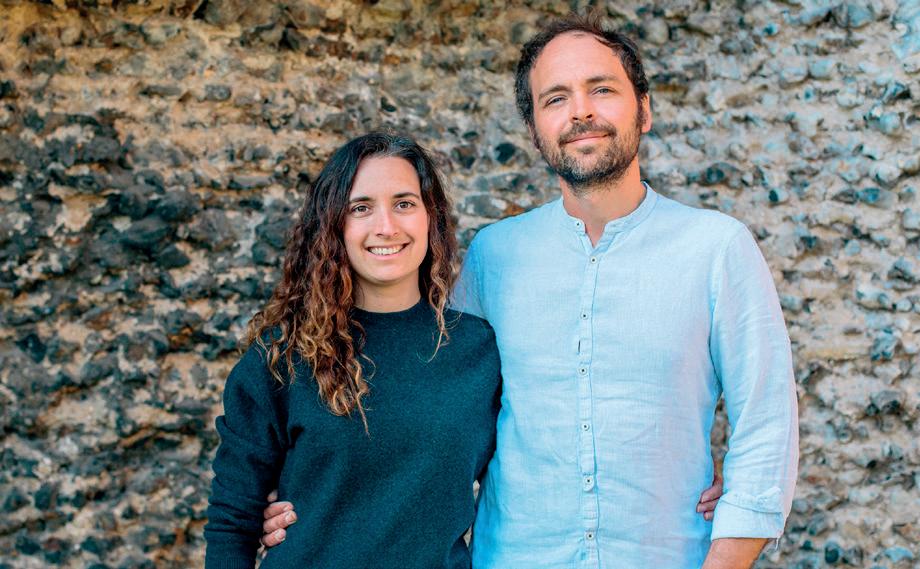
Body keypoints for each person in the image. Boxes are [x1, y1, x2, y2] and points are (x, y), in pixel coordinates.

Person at [261, 15, 786, 566]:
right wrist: (305, 495)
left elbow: (765, 428)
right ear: (535, 130)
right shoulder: (495, 255)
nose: (580, 111)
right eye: (556, 98)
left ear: (645, 109)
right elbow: (424, 404)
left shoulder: (717, 249)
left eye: (602, 89)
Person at [203, 133, 504, 569]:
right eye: (361, 208)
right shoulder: (284, 357)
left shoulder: (480, 352)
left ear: (430, 217)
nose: (386, 226)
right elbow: (233, 522)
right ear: (334, 225)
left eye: (404, 203)